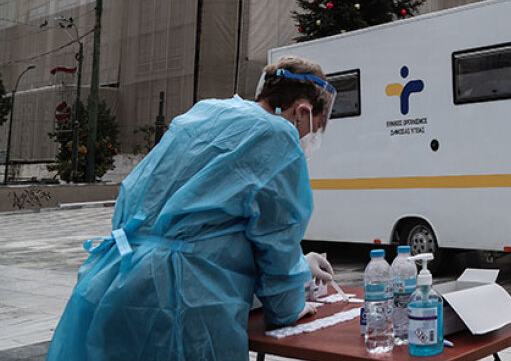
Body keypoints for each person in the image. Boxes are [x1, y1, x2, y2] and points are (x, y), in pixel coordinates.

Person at [47, 56, 339, 361]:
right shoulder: (278, 137)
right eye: (314, 128)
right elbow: (275, 238)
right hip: (184, 302)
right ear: (302, 112)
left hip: (117, 281)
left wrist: (299, 264)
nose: (310, 138)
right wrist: (291, 304)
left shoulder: (207, 113)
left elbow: (184, 210)